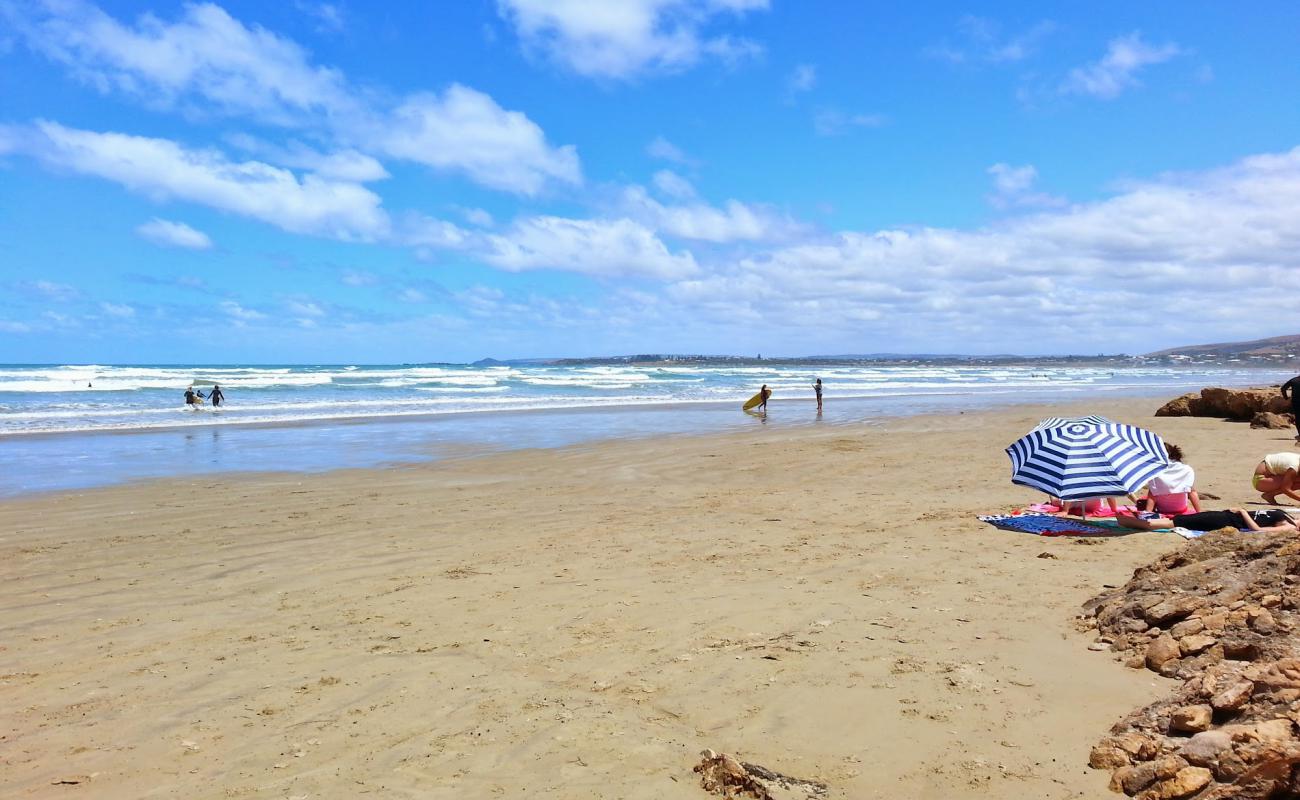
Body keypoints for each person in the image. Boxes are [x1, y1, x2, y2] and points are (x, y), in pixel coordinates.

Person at [1116, 507, 1296, 533]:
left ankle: (1127, 522)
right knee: (1181, 519)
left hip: (1226, 522)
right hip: (1224, 515)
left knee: (1175, 522)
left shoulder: (1288, 527)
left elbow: (1258, 530)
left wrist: (1243, 512)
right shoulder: (1292, 518)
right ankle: (1128, 521)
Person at [1139, 443, 1201, 515]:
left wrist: (1148, 512)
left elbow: (1153, 495)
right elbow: (1192, 492)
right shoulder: (1187, 469)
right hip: (1181, 509)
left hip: (1162, 510)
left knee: (1152, 491)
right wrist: (1199, 512)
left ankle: (1148, 512)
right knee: (1191, 489)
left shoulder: (1155, 472)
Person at [1282, 375, 1300, 441]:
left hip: (1296, 402)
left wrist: (1286, 397)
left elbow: (1283, 388)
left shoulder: (1293, 380)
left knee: (1298, 418)